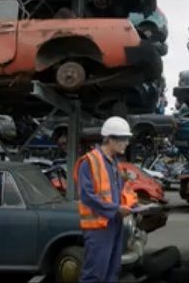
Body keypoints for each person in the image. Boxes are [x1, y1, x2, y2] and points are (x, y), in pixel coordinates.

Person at [74, 116, 138, 283]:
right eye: (123, 139)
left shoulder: (114, 163)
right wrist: (116, 209)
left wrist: (133, 205)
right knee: (95, 274)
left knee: (112, 271)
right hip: (98, 228)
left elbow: (117, 191)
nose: (126, 143)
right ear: (110, 139)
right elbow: (87, 196)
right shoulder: (90, 161)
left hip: (114, 223)